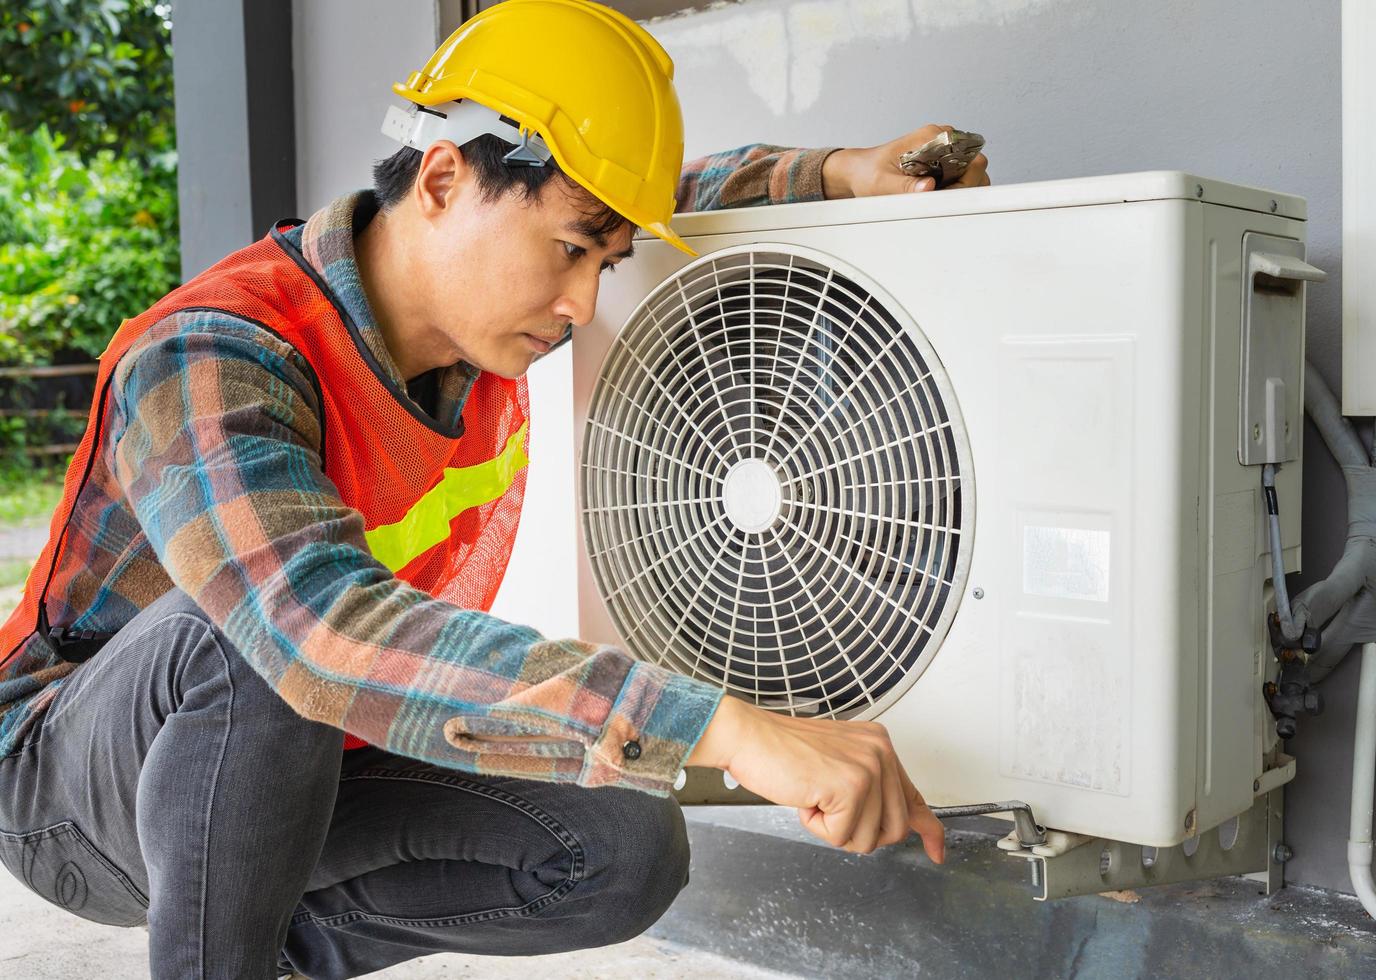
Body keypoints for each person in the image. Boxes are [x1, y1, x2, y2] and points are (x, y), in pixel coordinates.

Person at [0, 1, 989, 976]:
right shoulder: (215, 352)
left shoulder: (480, 323)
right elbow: (311, 626)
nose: (582, 304)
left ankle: (267, 945)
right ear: (441, 178)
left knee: (622, 841)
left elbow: (638, 196)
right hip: (73, 788)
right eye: (569, 253)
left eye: (606, 262)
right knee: (253, 632)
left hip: (307, 758)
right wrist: (722, 724)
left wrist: (833, 175)